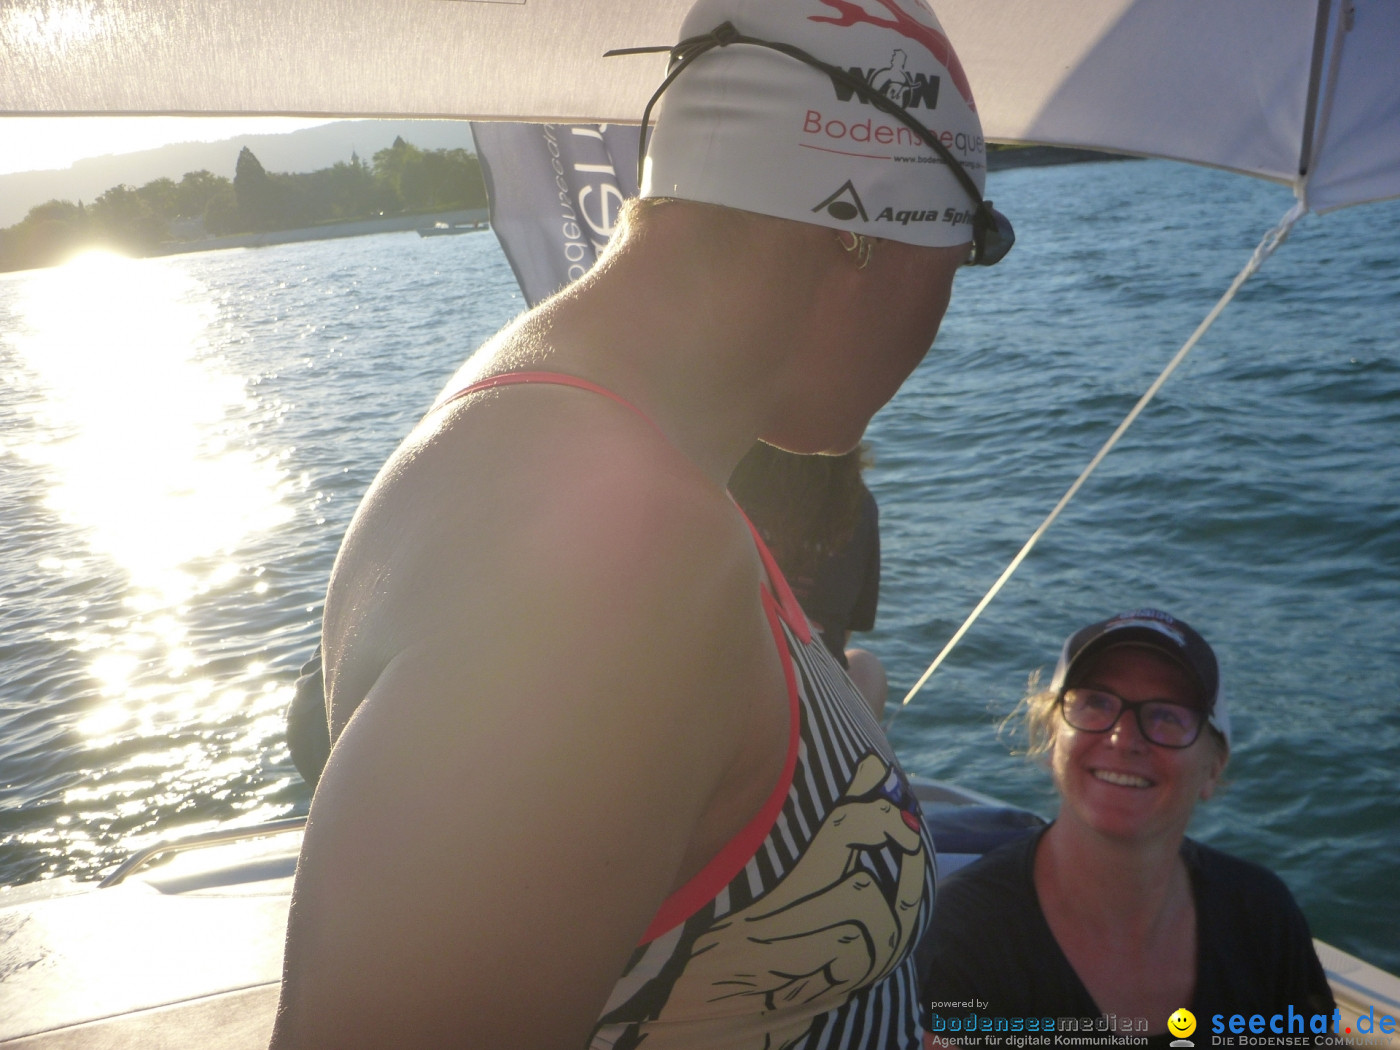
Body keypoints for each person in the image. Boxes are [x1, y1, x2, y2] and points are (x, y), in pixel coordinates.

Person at [270, 0, 1012, 1045]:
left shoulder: (582, 450)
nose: (953, 297)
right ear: (858, 235)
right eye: (976, 240)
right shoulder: (621, 566)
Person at [920, 609, 1335, 1045]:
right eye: (1096, 702)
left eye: (1167, 715)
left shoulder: (1262, 915)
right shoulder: (966, 932)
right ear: (1049, 738)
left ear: (1213, 767)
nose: (1124, 738)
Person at [728, 440, 889, 715]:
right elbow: (842, 629)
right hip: (814, 710)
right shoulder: (860, 506)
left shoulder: (729, 486)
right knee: (867, 667)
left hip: (733, 691)